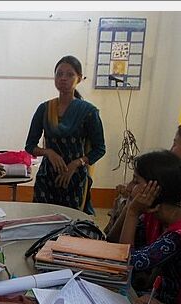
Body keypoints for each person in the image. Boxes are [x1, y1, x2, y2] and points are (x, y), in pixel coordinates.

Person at [117, 150, 181, 304]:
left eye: (136, 181)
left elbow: (125, 262)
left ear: (154, 189)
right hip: (149, 294)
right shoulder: (153, 215)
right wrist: (129, 207)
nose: (129, 186)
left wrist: (132, 212)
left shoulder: (180, 234)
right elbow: (111, 241)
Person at [25, 55, 106, 214]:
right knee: (42, 219)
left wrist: (75, 164)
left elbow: (99, 149)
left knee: (71, 222)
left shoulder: (88, 112)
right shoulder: (45, 109)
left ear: (79, 79)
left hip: (75, 178)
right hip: (47, 177)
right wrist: (49, 152)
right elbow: (30, 146)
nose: (63, 78)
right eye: (59, 74)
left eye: (70, 74)